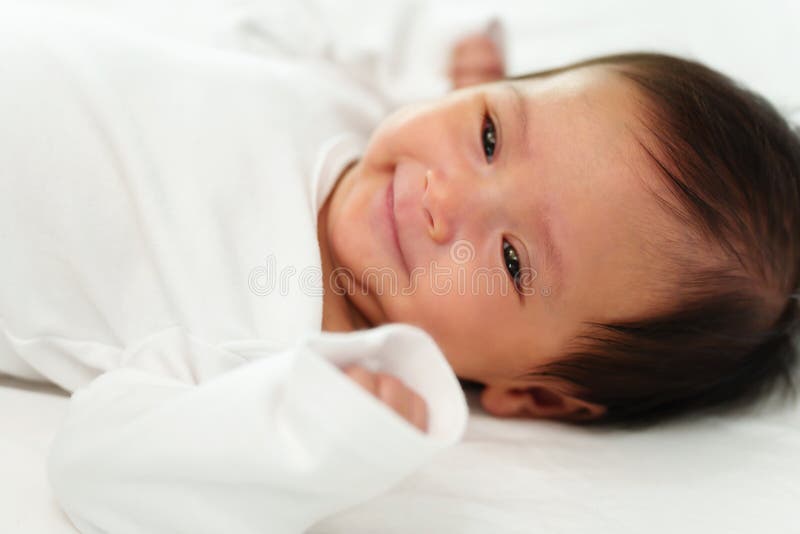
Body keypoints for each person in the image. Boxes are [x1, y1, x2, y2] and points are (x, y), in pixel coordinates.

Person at [1, 3, 798, 534]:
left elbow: (98, 469)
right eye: (490, 136)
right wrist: (445, 59)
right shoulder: (358, 99)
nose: (443, 197)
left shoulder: (276, 353)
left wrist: (304, 430)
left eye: (512, 258)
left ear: (537, 393)